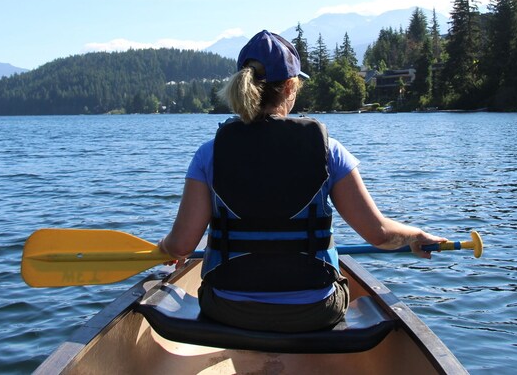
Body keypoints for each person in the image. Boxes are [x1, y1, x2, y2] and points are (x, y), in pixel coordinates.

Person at [158, 30, 447, 332]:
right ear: (288, 87)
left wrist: (167, 248)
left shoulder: (210, 153)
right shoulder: (329, 150)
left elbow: (182, 244)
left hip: (227, 308)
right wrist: (415, 235)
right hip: (315, 310)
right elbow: (380, 235)